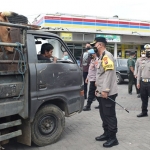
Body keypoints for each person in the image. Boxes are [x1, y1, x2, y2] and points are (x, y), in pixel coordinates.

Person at [91, 37, 119, 147]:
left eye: (95, 44)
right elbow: (100, 74)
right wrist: (98, 90)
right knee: (103, 114)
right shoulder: (101, 56)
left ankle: (113, 138)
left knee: (109, 115)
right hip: (101, 91)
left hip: (108, 92)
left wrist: (105, 90)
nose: (94, 47)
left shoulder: (107, 56)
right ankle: (106, 133)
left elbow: (109, 74)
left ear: (100, 45)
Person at [137, 44, 150, 117]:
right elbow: (139, 73)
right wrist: (138, 82)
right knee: (143, 98)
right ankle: (144, 112)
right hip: (143, 82)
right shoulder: (142, 61)